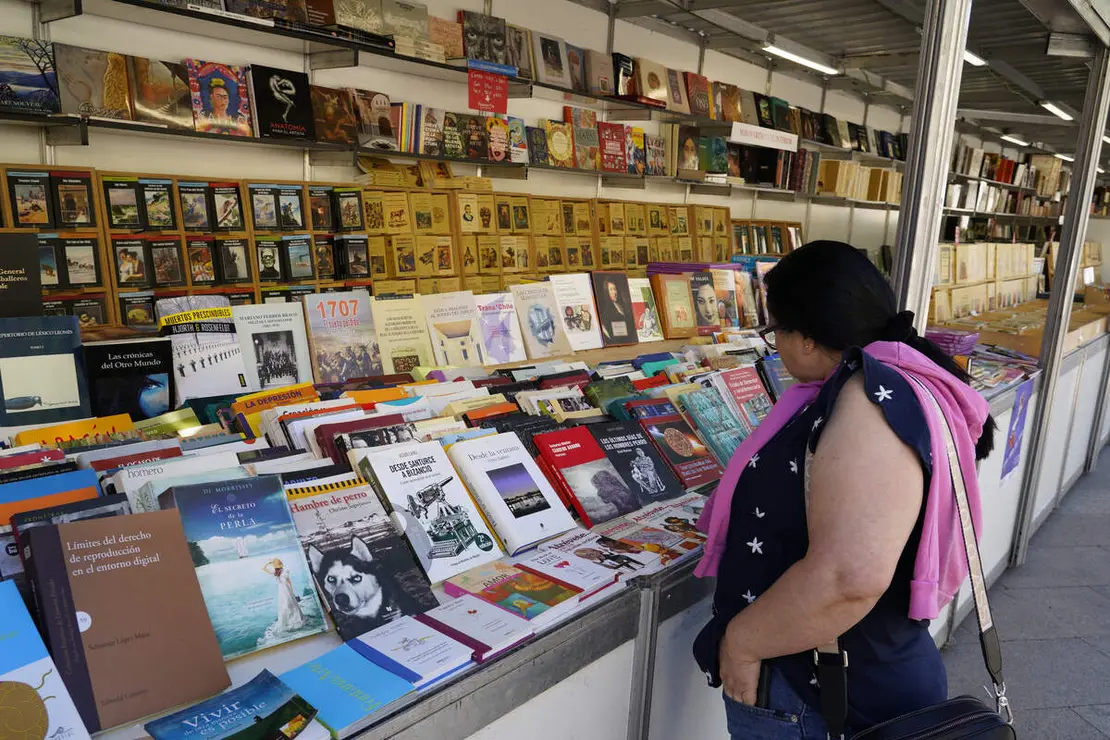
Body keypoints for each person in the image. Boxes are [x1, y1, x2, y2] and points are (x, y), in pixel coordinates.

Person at [693, 241, 996, 737]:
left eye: (775, 332)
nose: (777, 346)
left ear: (807, 338)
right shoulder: (906, 380)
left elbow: (848, 577)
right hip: (862, 670)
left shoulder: (869, 402)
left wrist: (742, 644)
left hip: (822, 691)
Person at [263, 558, 306, 633]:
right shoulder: (277, 572)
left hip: (286, 591)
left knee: (289, 605)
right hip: (282, 592)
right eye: (276, 568)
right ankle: (287, 622)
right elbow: (264, 568)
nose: (277, 569)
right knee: (284, 606)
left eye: (277, 568)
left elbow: (289, 583)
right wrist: (269, 563)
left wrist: (292, 593)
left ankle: (294, 621)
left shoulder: (284, 573)